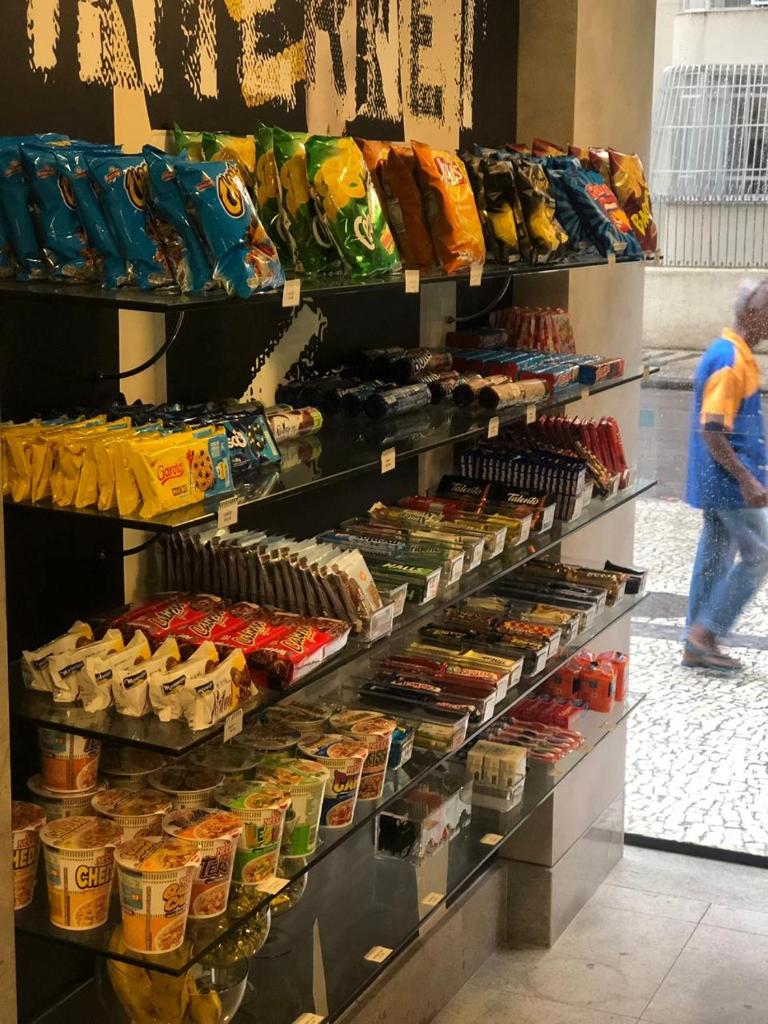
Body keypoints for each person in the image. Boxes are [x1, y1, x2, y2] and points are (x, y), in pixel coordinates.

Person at [684, 278, 768, 673]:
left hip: (718, 481)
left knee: (715, 557)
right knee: (759, 553)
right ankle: (705, 634)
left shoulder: (732, 353)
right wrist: (747, 479)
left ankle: (696, 642)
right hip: (731, 484)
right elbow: (713, 429)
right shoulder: (731, 362)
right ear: (752, 314)